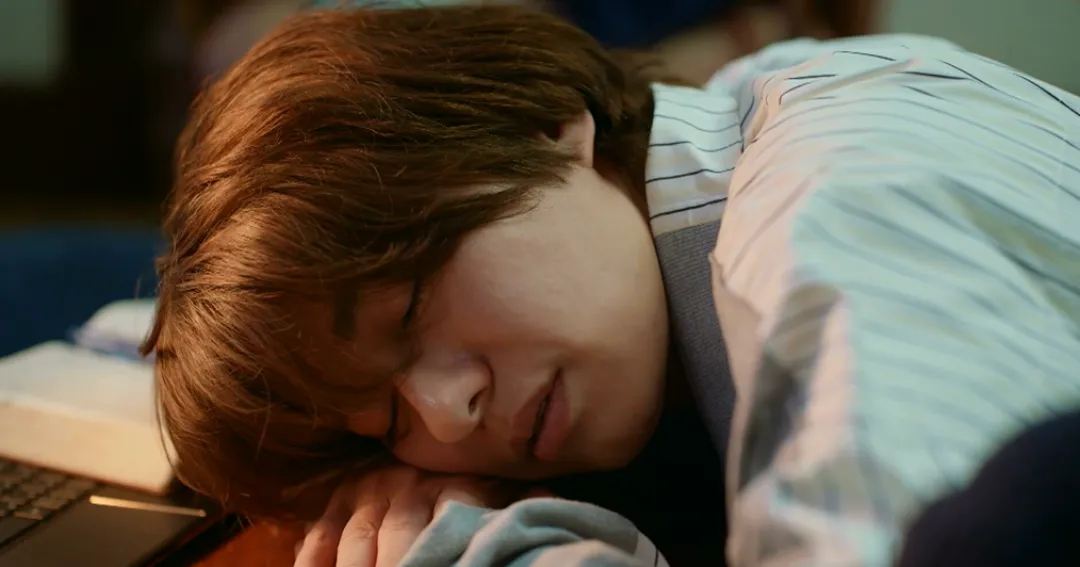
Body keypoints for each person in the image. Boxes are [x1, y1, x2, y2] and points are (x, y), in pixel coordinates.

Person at [141, 4, 1080, 567]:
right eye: (387, 419)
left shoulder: (824, 230)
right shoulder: (729, 121)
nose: (448, 416)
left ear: (547, 126)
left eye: (412, 304)